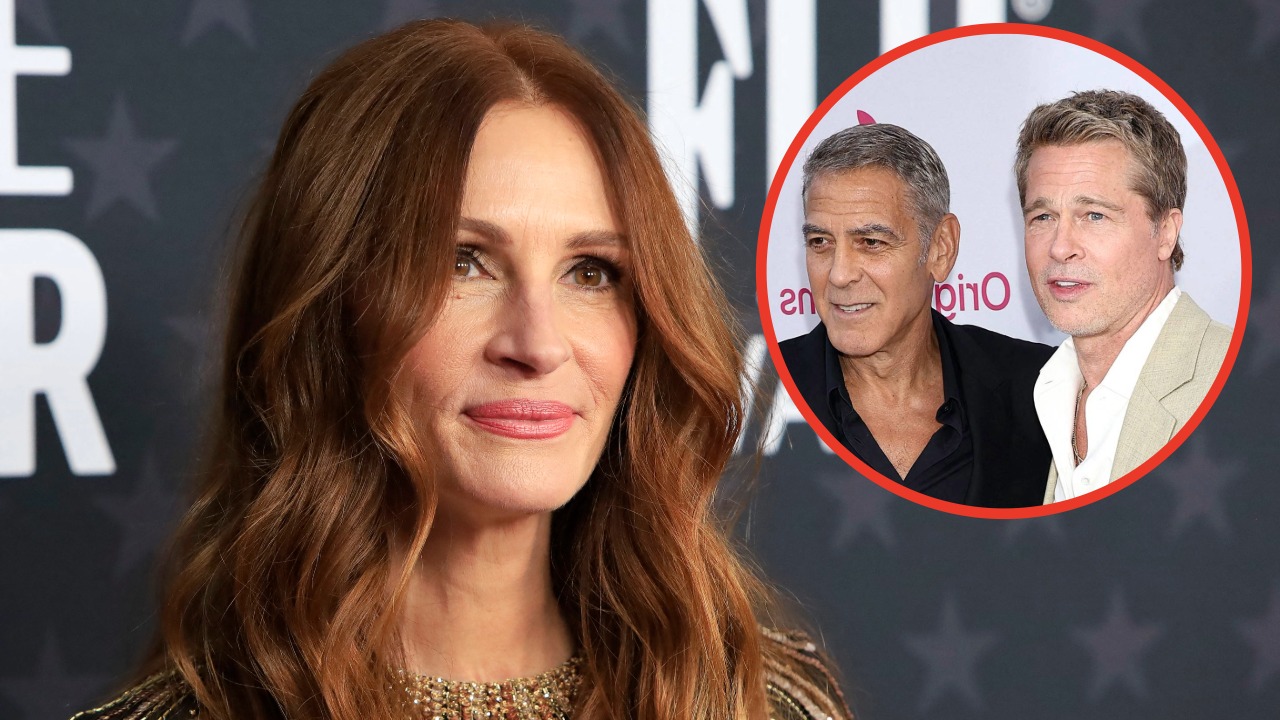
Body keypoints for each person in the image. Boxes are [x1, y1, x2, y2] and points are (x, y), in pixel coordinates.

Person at [71, 19, 850, 720]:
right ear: (332, 309)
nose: (537, 344)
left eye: (590, 272)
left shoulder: (766, 705)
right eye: (462, 262)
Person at [779, 123, 1054, 508]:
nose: (839, 275)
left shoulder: (1043, 388)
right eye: (820, 242)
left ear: (941, 248)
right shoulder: (755, 395)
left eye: (871, 242)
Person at [1016, 89, 1233, 503]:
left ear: (1165, 233)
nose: (1060, 247)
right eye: (1043, 217)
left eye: (1094, 215)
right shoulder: (1047, 391)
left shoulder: (1236, 387)